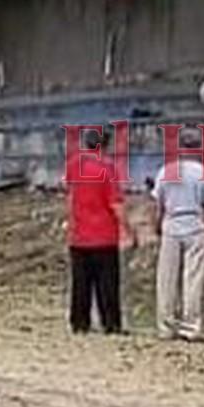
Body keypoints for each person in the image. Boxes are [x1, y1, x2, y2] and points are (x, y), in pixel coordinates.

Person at [152, 128, 204, 342]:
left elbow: (158, 205)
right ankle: (190, 326)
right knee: (193, 278)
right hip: (194, 223)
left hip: (172, 224)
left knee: (166, 278)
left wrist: (158, 226)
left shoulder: (166, 171)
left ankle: (165, 325)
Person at [65, 128, 134, 335]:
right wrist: (127, 229)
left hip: (79, 233)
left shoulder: (74, 164)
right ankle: (111, 323)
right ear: (105, 144)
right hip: (104, 233)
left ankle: (79, 322)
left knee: (80, 282)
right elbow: (115, 203)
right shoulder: (108, 167)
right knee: (107, 283)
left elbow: (70, 195)